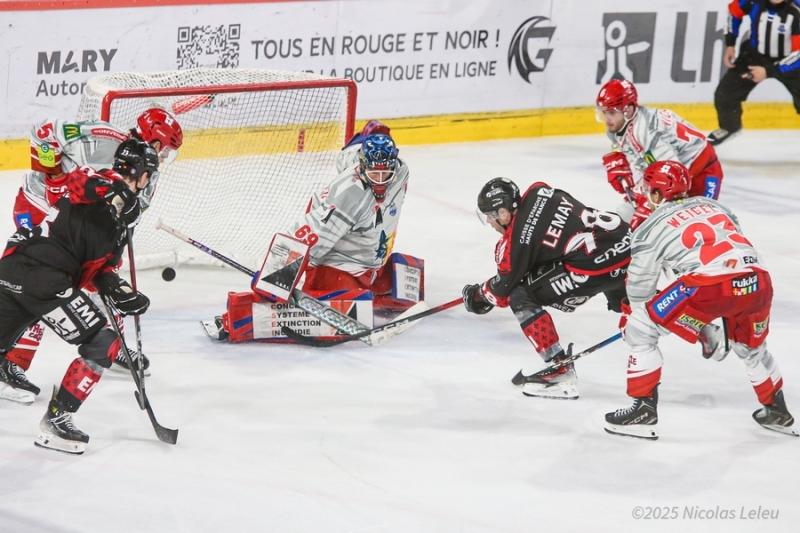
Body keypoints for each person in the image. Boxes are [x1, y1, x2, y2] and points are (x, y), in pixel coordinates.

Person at [605, 160, 796, 440]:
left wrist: (636, 317)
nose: (646, 194)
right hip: (758, 280)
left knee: (641, 328)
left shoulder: (649, 227)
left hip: (707, 287)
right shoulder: (717, 207)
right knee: (752, 347)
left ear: (657, 193)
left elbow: (639, 290)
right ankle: (777, 410)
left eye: (649, 188)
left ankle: (643, 410)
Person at [1, 109, 182, 397]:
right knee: (42, 286)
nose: (165, 157)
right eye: (167, 149)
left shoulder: (148, 172)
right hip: (38, 207)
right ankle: (13, 362)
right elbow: (44, 133)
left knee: (96, 279)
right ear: (158, 143)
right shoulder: (102, 135)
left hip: (74, 220)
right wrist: (54, 178)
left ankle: (113, 343)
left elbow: (127, 214)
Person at [0, 139, 155, 454]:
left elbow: (102, 270)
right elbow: (78, 181)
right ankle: (58, 420)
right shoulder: (102, 180)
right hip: (42, 276)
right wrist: (114, 190)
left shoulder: (126, 218)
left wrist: (122, 292)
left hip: (18, 272)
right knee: (103, 344)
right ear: (144, 176)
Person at [461, 178, 632, 399]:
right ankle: (677, 314)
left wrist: (478, 295)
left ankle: (559, 368)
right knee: (645, 307)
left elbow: (502, 292)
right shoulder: (540, 191)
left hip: (596, 268)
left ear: (503, 214)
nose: (489, 221)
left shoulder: (515, 243)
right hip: (627, 246)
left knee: (521, 296)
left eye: (490, 216)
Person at [283, 128, 414, 309]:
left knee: (400, 286)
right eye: (374, 174)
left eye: (386, 175)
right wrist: (278, 276)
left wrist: (370, 134)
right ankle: (322, 283)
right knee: (348, 304)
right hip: (336, 264)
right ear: (363, 167)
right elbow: (315, 233)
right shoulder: (349, 194)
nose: (380, 182)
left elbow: (347, 156)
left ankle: (370, 278)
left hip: (369, 261)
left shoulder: (401, 172)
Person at [596, 79, 724, 230]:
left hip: (703, 172)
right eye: (604, 112)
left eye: (611, 112)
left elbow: (671, 176)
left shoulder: (646, 133)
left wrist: (646, 205)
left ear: (628, 110)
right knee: (630, 211)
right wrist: (619, 157)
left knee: (699, 225)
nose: (607, 118)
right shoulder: (619, 126)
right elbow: (626, 149)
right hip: (675, 170)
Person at [709, 0, 800, 145]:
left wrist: (770, 71)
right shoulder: (753, 2)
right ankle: (730, 127)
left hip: (792, 63)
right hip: (755, 55)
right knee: (725, 94)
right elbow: (734, 11)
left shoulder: (797, 10)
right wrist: (730, 43)